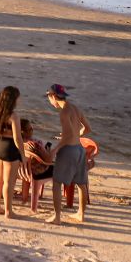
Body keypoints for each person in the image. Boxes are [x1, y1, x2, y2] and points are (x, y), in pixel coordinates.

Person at [46, 84, 92, 224]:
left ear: (53, 96)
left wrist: (55, 149)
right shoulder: (75, 108)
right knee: (81, 184)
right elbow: (87, 128)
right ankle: (81, 214)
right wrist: (76, 135)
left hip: (69, 151)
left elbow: (69, 135)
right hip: (79, 149)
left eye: (49, 98)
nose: (50, 101)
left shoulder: (64, 112)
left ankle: (57, 217)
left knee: (57, 183)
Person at [0, 86, 24, 218]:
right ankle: (9, 211)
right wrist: (22, 154)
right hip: (9, 148)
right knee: (9, 182)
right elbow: (17, 138)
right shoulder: (13, 116)